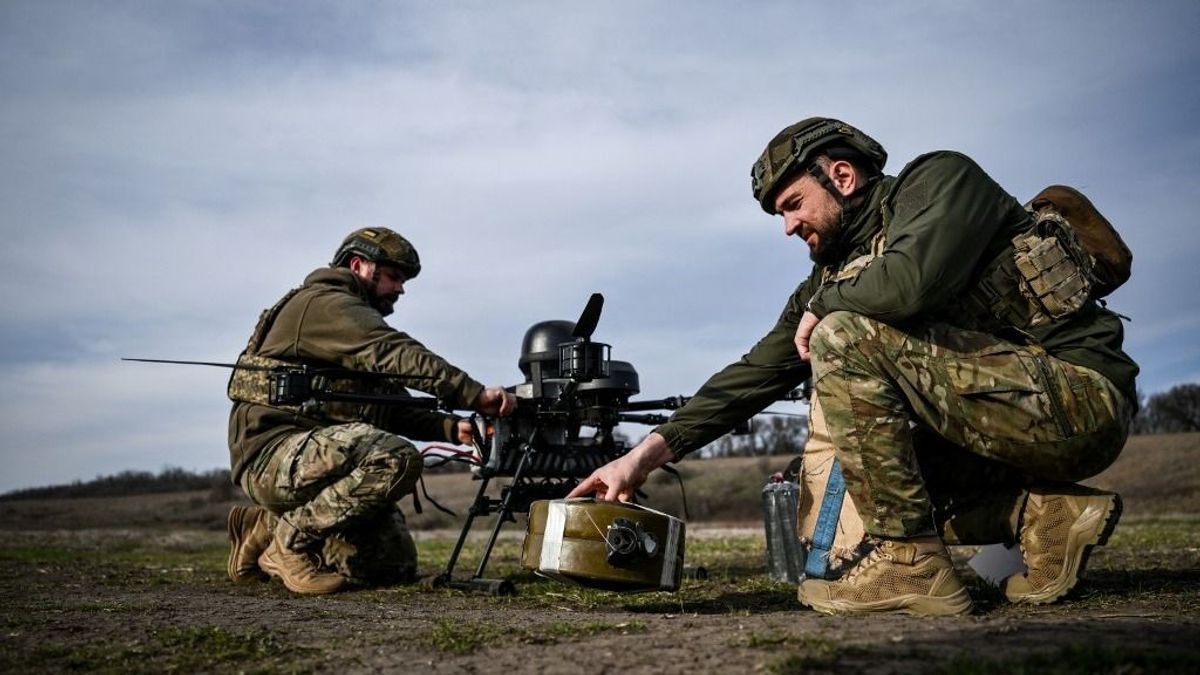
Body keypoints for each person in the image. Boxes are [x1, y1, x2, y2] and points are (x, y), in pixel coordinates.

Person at [569, 118, 1138, 615]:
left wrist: (824, 309)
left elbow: (912, 280)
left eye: (792, 205)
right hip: (992, 427)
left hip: (1077, 399)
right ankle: (1042, 518)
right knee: (840, 482)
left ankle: (908, 563)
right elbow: (751, 377)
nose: (788, 227)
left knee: (841, 337)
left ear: (841, 177)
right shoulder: (827, 283)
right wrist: (641, 457)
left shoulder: (942, 181)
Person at [225, 227, 517, 595]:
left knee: (390, 566)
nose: (401, 288)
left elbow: (393, 406)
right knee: (394, 458)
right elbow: (395, 354)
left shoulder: (350, 328)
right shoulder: (327, 304)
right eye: (394, 276)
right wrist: (473, 395)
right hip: (273, 456)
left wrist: (452, 428)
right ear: (359, 266)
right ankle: (288, 542)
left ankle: (261, 528)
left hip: (315, 462)